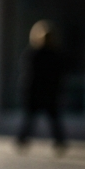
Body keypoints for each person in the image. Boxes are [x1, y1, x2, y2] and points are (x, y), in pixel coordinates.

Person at [16, 20, 68, 154]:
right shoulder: (45, 54)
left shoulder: (38, 54)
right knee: (43, 119)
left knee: (36, 119)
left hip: (42, 92)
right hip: (45, 93)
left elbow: (28, 76)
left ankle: (22, 140)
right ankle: (58, 142)